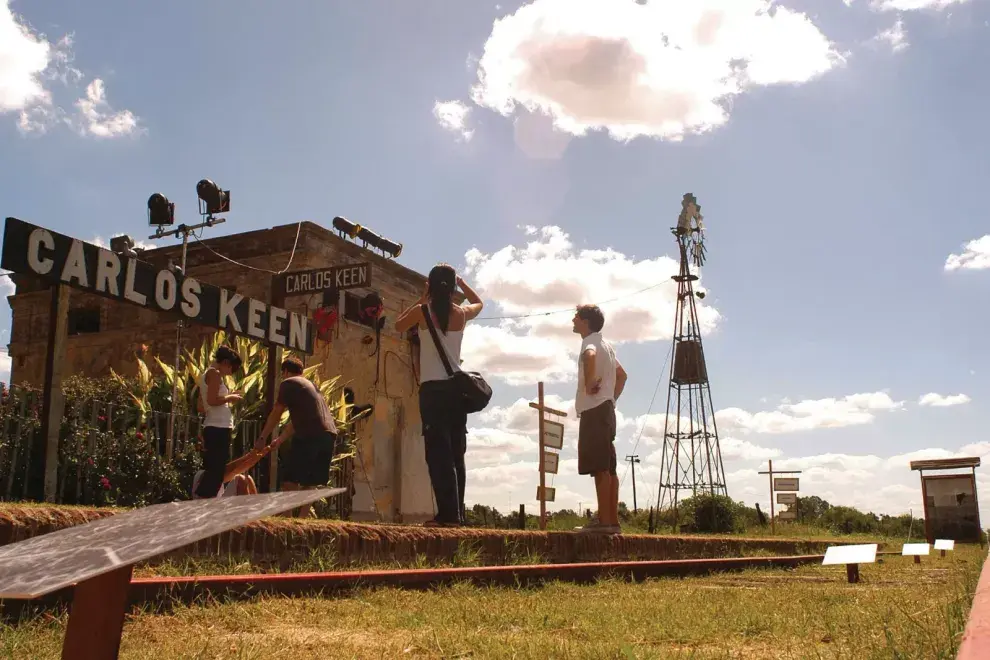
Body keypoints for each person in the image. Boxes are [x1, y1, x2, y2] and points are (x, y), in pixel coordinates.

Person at [394, 263, 484, 527]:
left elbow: (399, 325)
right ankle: (458, 515)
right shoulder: (462, 313)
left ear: (430, 285)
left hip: (433, 391)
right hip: (456, 392)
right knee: (457, 453)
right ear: (453, 287)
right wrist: (464, 285)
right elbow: (479, 302)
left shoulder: (423, 312)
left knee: (437, 453)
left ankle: (447, 515)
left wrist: (423, 298)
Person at [256, 358, 338, 514]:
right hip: (329, 435)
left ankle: (289, 521)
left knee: (290, 479)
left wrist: (262, 437)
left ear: (285, 372)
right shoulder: (311, 386)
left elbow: (276, 413)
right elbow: (296, 421)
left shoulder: (288, 383)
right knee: (311, 481)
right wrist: (280, 440)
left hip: (310, 434)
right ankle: (301, 520)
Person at [572, 304, 627, 534]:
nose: (573, 320)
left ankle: (604, 522)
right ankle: (611, 521)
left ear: (585, 321)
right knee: (608, 467)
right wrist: (610, 399)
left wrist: (590, 383)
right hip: (606, 410)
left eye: (576, 317)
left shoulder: (590, 342)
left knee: (599, 467)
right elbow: (622, 376)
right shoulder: (608, 345)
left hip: (595, 411)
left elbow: (589, 355)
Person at [194, 346, 243, 499]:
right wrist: (230, 397)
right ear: (226, 362)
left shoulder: (206, 375)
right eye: (232, 368)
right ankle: (205, 498)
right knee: (217, 468)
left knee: (215, 466)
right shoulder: (215, 374)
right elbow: (212, 400)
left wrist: (225, 397)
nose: (231, 373)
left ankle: (206, 497)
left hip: (214, 424)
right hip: (218, 427)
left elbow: (201, 406)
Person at [190, 438, 284, 499]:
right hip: (211, 514)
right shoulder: (206, 475)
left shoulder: (214, 472)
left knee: (245, 479)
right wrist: (252, 455)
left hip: (218, 507)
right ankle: (248, 523)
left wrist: (256, 455)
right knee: (242, 480)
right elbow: (235, 468)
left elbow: (237, 468)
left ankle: (257, 516)